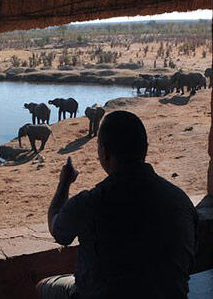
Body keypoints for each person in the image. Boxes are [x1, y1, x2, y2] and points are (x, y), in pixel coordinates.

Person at [38, 111, 197, 299]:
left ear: (104, 152)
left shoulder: (92, 202)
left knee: (44, 286)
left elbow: (58, 230)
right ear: (144, 148)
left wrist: (64, 184)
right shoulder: (179, 199)